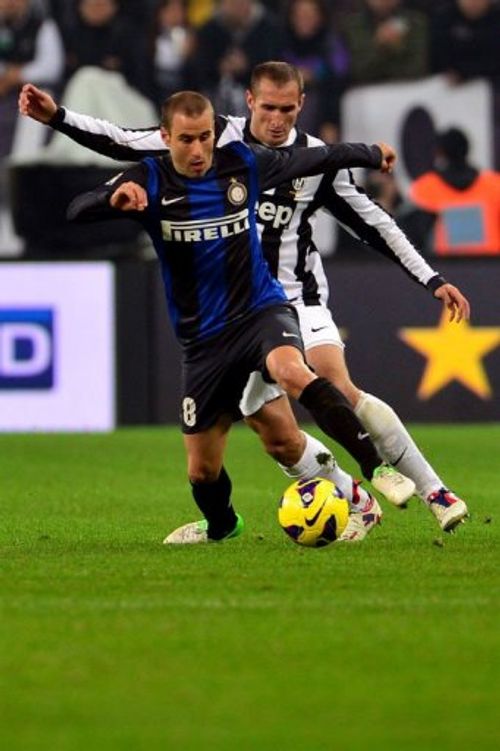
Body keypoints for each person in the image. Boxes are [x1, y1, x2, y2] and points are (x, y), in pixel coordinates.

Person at [18, 62, 471, 535]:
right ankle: (349, 497)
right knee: (275, 438)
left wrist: (430, 277)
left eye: (289, 110)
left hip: (290, 296)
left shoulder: (310, 160)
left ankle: (433, 491)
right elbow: (120, 140)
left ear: (301, 106)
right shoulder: (211, 140)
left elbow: (373, 223)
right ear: (250, 103)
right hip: (222, 318)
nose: (278, 120)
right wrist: (58, 118)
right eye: (269, 108)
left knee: (330, 380)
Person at [67, 90, 399, 544]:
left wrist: (371, 152)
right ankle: (222, 526)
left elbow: (318, 158)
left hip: (260, 310)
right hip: (203, 342)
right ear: (165, 137)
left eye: (205, 137)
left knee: (292, 370)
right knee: (202, 470)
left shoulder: (242, 163)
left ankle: (376, 468)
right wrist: (113, 200)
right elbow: (75, 210)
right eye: (186, 139)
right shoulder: (147, 179)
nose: (199, 150)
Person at [408, 127, 500, 256]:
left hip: (446, 268)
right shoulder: (495, 185)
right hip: (492, 268)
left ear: (440, 153)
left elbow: (417, 235)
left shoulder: (426, 188)